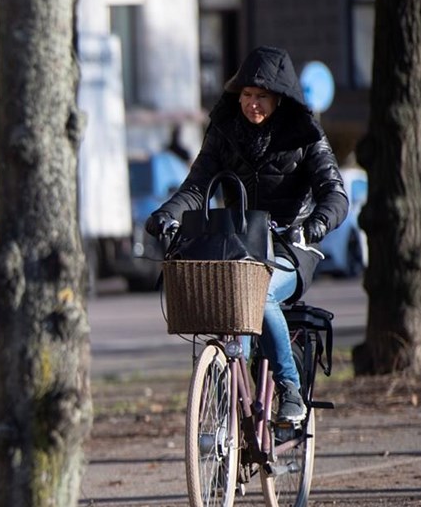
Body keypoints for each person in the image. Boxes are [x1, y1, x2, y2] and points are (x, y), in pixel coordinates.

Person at [145, 46, 348, 423]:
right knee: (221, 301)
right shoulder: (224, 130)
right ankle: (228, 397)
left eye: (262, 97)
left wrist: (315, 224)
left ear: (280, 99)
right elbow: (195, 187)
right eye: (247, 96)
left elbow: (334, 193)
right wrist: (165, 215)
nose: (252, 104)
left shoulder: (304, 135)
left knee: (261, 293)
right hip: (237, 244)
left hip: (290, 248)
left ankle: (289, 390)